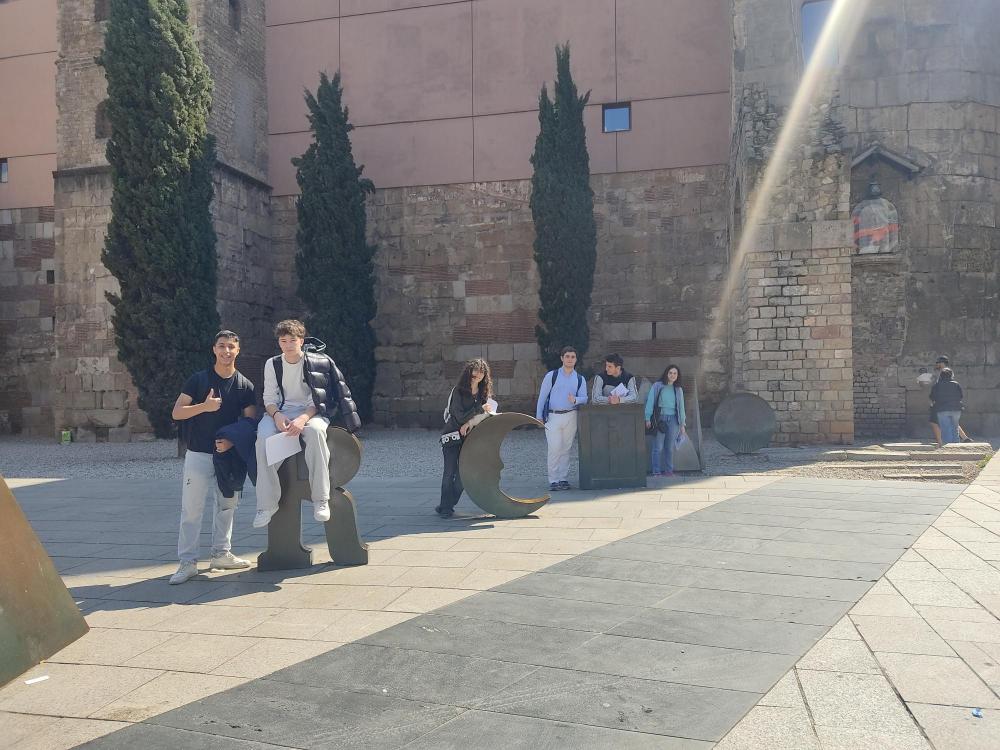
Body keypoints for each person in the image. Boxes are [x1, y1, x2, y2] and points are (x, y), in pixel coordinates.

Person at [253, 319, 361, 529]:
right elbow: (269, 398)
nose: (288, 345)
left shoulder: (315, 361)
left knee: (316, 433)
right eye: (283, 341)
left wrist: (302, 419)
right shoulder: (272, 364)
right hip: (280, 412)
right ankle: (266, 505)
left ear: (301, 341)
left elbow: (319, 399)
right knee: (263, 438)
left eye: (292, 340)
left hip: (312, 412)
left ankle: (320, 499)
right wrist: (277, 416)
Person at [169, 330, 257, 585]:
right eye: (221, 346)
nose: (226, 351)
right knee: (191, 509)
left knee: (227, 506)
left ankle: (221, 554)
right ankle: (188, 562)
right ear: (214, 349)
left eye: (231, 346)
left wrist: (232, 442)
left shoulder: (245, 386)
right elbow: (177, 412)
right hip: (198, 453)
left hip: (228, 456)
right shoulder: (199, 380)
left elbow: (250, 423)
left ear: (238, 350)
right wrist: (204, 407)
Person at [437, 358, 495, 518]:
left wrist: (471, 422)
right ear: (469, 371)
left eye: (482, 372)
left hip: (469, 438)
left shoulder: (483, 394)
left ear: (485, 375)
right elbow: (460, 416)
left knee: (463, 476)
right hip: (452, 436)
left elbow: (486, 416)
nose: (478, 374)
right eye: (475, 370)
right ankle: (446, 508)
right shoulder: (459, 391)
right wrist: (479, 409)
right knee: (449, 473)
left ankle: (447, 504)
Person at [536, 346, 588, 491]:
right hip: (552, 416)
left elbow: (584, 398)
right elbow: (542, 397)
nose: (570, 359)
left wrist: (576, 400)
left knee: (566, 448)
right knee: (554, 448)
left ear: (576, 359)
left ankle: (563, 479)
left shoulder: (580, 379)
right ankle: (553, 480)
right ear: (562, 358)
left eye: (572, 357)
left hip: (571, 415)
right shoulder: (551, 376)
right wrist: (539, 416)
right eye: (567, 356)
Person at [645, 364, 687, 477]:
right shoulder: (657, 386)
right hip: (660, 419)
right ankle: (656, 471)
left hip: (673, 420)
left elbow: (681, 407)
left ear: (677, 376)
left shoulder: (678, 389)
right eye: (670, 373)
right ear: (666, 374)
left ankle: (669, 471)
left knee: (669, 447)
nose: (672, 375)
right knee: (658, 447)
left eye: (675, 373)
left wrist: (682, 424)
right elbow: (650, 402)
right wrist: (647, 418)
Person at [927, 356, 972, 445]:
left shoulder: (941, 375)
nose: (936, 364)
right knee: (953, 426)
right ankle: (959, 441)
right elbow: (960, 396)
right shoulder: (954, 381)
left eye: (938, 362)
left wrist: (933, 402)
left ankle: (945, 444)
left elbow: (933, 395)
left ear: (942, 363)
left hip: (941, 406)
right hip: (955, 407)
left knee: (942, 426)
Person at [930, 367, 964, 445]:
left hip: (942, 409)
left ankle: (948, 447)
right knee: (955, 428)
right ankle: (956, 446)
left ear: (941, 375)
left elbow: (932, 397)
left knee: (946, 429)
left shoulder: (937, 385)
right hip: (956, 409)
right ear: (951, 375)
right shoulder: (956, 384)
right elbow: (961, 396)